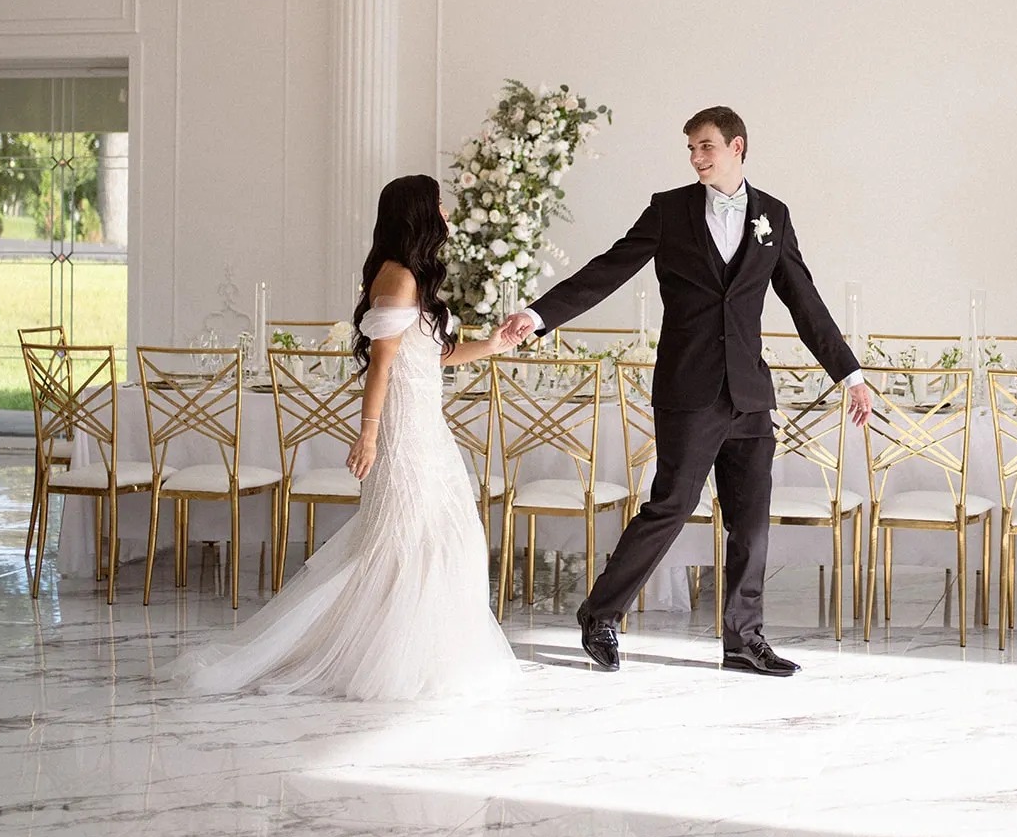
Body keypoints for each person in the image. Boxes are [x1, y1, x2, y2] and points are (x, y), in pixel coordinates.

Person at [498, 106, 871, 677]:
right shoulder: (669, 210)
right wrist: (537, 315)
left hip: (749, 393)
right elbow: (607, 270)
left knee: (751, 521)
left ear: (736, 147)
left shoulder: (772, 215)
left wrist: (850, 375)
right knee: (670, 506)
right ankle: (600, 613)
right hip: (688, 389)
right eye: (691, 149)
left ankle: (744, 639)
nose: (696, 158)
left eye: (706, 147)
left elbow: (805, 302)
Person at [163, 174, 520, 700]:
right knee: (403, 539)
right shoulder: (399, 277)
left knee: (443, 534)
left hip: (428, 430)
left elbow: (434, 355)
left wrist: (492, 345)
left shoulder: (411, 276)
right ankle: (388, 657)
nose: (446, 213)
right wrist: (369, 436)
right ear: (418, 214)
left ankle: (427, 653)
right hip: (404, 432)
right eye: (439, 204)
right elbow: (381, 366)